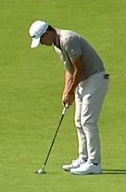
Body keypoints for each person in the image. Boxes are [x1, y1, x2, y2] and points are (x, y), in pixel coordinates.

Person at [29, 20, 110, 175]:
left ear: (48, 33)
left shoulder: (68, 39)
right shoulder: (57, 45)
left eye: (41, 40)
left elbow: (80, 68)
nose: (42, 44)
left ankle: (94, 163)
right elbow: (70, 69)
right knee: (79, 121)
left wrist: (72, 90)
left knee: (88, 121)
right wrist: (66, 91)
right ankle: (83, 158)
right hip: (83, 81)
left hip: (95, 78)